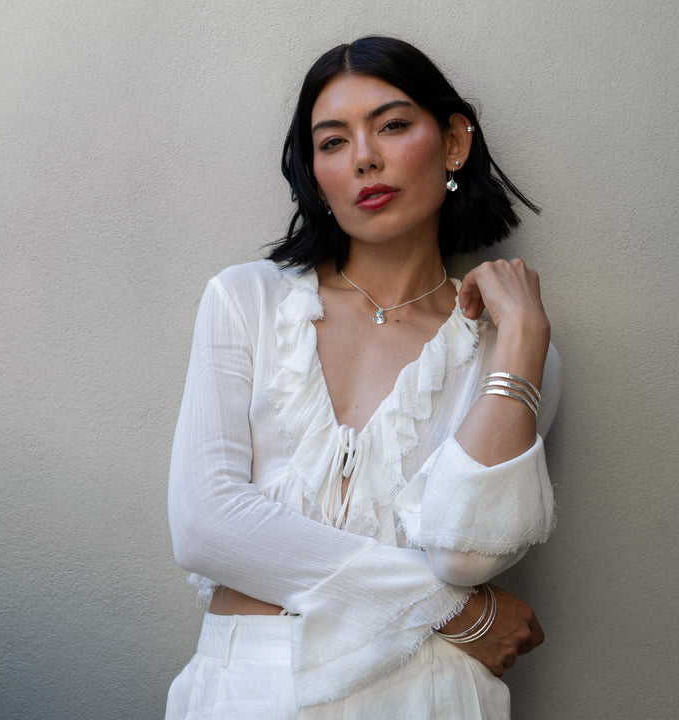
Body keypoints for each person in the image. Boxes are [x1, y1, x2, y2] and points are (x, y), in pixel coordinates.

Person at [166, 36, 560, 720]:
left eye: (393, 125)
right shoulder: (246, 300)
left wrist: (524, 333)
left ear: (455, 142)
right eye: (332, 142)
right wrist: (455, 612)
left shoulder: (512, 348)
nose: (364, 158)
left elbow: (466, 554)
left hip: (429, 694)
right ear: (314, 172)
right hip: (245, 687)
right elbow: (205, 525)